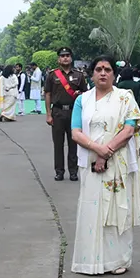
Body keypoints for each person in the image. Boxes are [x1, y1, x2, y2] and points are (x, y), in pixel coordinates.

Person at [70, 55, 140, 275]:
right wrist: (97, 149)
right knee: (92, 209)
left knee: (116, 209)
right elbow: (75, 132)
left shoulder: (125, 98)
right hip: (90, 164)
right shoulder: (81, 100)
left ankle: (117, 261)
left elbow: (129, 129)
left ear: (114, 74)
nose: (103, 73)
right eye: (99, 69)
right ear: (91, 74)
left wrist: (106, 152)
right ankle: (90, 261)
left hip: (117, 164)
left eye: (108, 69)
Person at [45, 47, 88, 181]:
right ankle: (59, 171)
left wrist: (79, 94)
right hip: (57, 112)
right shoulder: (53, 75)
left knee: (73, 143)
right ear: (59, 59)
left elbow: (85, 94)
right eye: (62, 56)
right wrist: (48, 114)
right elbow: (47, 94)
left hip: (74, 112)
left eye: (67, 55)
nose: (65, 58)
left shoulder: (79, 75)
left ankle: (73, 171)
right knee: (58, 144)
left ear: (71, 58)